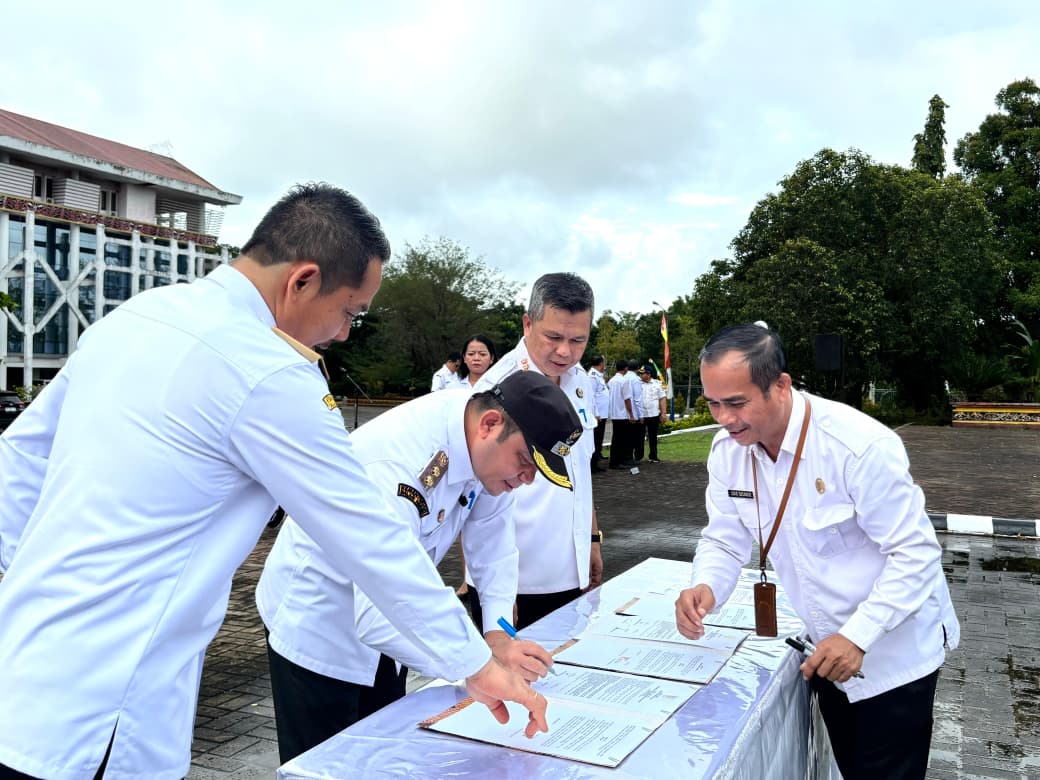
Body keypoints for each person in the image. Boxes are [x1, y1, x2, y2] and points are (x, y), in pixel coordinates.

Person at [0, 183, 546, 780]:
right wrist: (474, 663)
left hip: (23, 672)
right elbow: (368, 535)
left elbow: (19, 467)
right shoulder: (269, 373)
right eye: (350, 312)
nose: (344, 333)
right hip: (104, 711)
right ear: (303, 280)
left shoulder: (137, 316)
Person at [675, 323, 961, 780]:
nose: (724, 418)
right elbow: (724, 535)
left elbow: (916, 553)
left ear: (781, 385)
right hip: (826, 649)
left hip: (892, 652)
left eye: (737, 403)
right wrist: (705, 586)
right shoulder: (729, 450)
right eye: (713, 403)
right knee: (850, 767)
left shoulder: (856, 447)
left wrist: (858, 636)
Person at [258, 371, 580, 762]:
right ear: (490, 424)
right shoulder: (400, 462)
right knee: (326, 764)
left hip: (395, 621)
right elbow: (377, 612)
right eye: (526, 462)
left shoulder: (488, 448)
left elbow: (494, 549)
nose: (527, 479)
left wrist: (498, 636)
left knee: (384, 755)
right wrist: (478, 665)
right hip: (320, 620)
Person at [466, 273, 602, 630]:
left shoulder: (581, 382)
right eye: (553, 337)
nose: (565, 351)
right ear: (528, 324)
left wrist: (592, 538)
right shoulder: (494, 391)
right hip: (516, 582)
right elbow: (472, 497)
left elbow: (579, 471)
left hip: (570, 571)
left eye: (578, 340)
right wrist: (496, 591)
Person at [635, 364, 667, 463]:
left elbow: (662, 399)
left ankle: (653, 456)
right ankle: (638, 457)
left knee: (653, 437)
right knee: (639, 437)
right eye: (640, 374)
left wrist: (663, 413)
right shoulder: (637, 383)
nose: (640, 375)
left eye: (642, 373)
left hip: (653, 414)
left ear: (648, 374)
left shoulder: (657, 384)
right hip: (641, 415)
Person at [607, 361, 635, 469]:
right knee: (622, 439)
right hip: (622, 414)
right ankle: (618, 461)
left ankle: (615, 460)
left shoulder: (611, 381)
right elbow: (627, 399)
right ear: (625, 368)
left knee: (616, 438)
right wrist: (631, 414)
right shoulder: (624, 381)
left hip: (614, 413)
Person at [587, 354, 609, 473]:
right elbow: (591, 397)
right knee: (595, 439)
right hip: (597, 414)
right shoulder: (592, 376)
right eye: (604, 362)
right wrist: (595, 413)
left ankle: (596, 462)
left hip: (602, 413)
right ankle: (592, 465)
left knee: (599, 439)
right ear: (601, 363)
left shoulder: (599, 376)